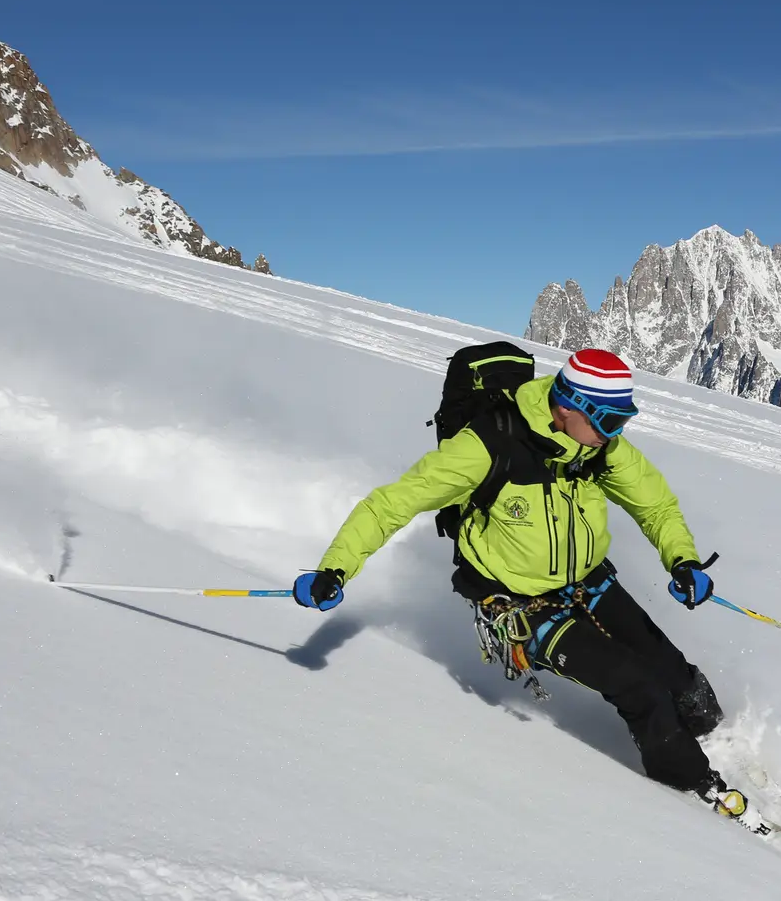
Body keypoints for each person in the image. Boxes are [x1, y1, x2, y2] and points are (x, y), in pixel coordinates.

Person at [293, 349, 745, 817]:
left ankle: (720, 735)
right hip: (519, 607)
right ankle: (693, 790)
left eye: (623, 420)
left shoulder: (600, 446)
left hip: (588, 582)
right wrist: (334, 570)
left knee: (672, 670)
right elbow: (391, 504)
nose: (615, 433)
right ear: (567, 407)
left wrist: (683, 561)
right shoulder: (488, 445)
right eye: (609, 421)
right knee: (637, 684)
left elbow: (656, 506)